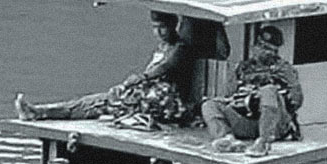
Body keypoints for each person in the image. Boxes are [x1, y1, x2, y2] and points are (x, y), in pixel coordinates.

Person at [14, 13, 193, 129]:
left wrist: (140, 78)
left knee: (96, 103)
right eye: (155, 27)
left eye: (162, 27)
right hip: (148, 95)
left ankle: (39, 112)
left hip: (166, 102)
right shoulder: (162, 46)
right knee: (95, 100)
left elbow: (165, 67)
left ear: (172, 26)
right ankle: (40, 111)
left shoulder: (180, 47)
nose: (158, 32)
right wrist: (127, 85)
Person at [203, 24, 301, 156]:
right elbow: (229, 95)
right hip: (247, 119)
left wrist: (292, 83)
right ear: (254, 47)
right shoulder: (243, 68)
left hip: (275, 122)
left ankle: (264, 142)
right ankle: (227, 139)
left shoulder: (284, 69)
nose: (265, 52)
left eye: (270, 49)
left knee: (268, 90)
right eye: (262, 47)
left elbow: (297, 102)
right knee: (209, 105)